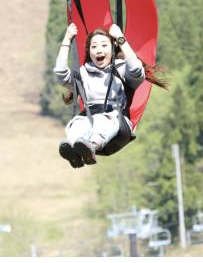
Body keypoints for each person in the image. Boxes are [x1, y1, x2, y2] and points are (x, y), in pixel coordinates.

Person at [53, 22, 148, 168]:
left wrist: (121, 39)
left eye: (104, 45)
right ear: (89, 51)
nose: (99, 50)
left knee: (104, 121)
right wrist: (67, 40)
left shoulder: (121, 69)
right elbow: (60, 73)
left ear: (112, 49)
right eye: (94, 46)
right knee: (77, 124)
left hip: (115, 118)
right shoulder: (83, 73)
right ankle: (74, 152)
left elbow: (136, 70)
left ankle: (92, 146)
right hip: (90, 117)